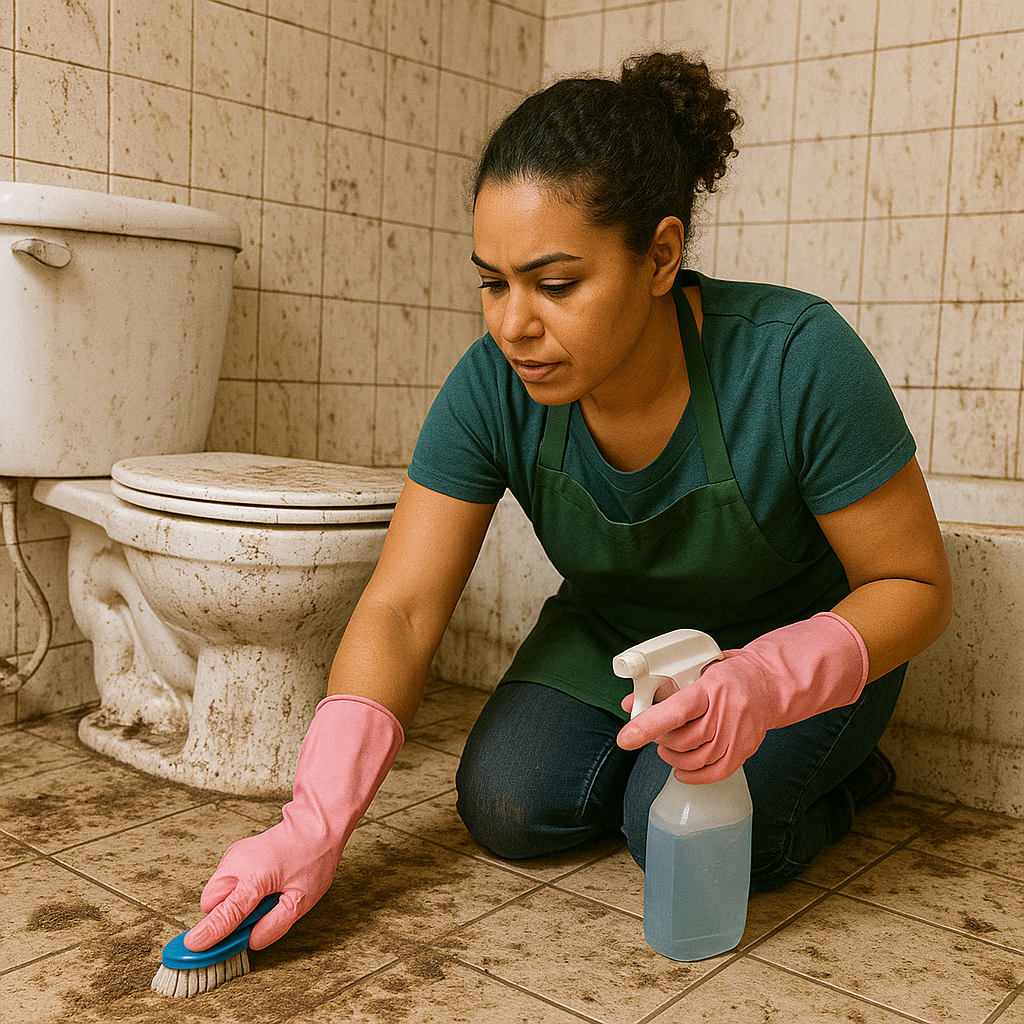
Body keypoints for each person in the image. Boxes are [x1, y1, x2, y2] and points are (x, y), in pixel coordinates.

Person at [184, 51, 952, 953]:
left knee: (675, 834)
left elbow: (916, 584)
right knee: (506, 804)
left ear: (660, 256)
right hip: (618, 636)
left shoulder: (797, 358)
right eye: (492, 282)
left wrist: (760, 680)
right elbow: (399, 608)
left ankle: (841, 785)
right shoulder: (492, 386)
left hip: (788, 643)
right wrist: (311, 823)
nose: (513, 323)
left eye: (554, 285)